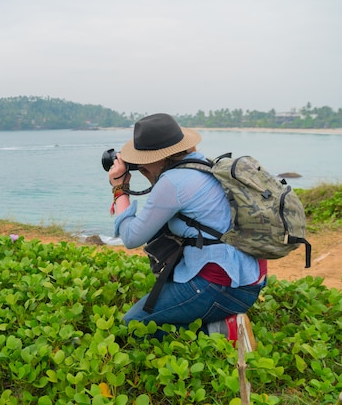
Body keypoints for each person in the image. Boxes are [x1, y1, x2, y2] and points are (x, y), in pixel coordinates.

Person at [108, 113, 266, 350]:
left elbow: (131, 238)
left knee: (132, 325)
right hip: (251, 278)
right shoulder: (204, 164)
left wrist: (120, 188)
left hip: (221, 287)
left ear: (155, 157)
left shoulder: (173, 182)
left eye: (141, 159)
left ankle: (224, 330)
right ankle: (220, 319)